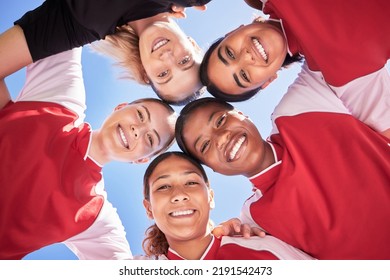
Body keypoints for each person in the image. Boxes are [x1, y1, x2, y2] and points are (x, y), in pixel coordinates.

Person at [0, 47, 177, 260]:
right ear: (119, 107)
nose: (137, 130)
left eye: (150, 139)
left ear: (141, 159)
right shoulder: (61, 100)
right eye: (140, 115)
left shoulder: (95, 218)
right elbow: (63, 27)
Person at [174, 95, 390, 259]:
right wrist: (230, 237)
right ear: (214, 169)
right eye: (205, 146)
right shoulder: (253, 220)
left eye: (220, 120)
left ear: (242, 114)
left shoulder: (299, 108)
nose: (221, 138)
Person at [199, 0, 390, 138]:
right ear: (268, 81)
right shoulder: (342, 75)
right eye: (244, 75)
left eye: (230, 54)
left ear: (232, 32)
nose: (246, 57)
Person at [0, 0, 211, 105]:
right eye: (184, 61)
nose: (168, 58)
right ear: (193, 45)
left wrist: (13, 135)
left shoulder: (79, 24)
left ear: (146, 73)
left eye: (163, 74)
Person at [140, 151, 314, 260]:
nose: (178, 195)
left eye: (191, 183)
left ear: (211, 197)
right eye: (163, 187)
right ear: (149, 208)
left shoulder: (265, 248)